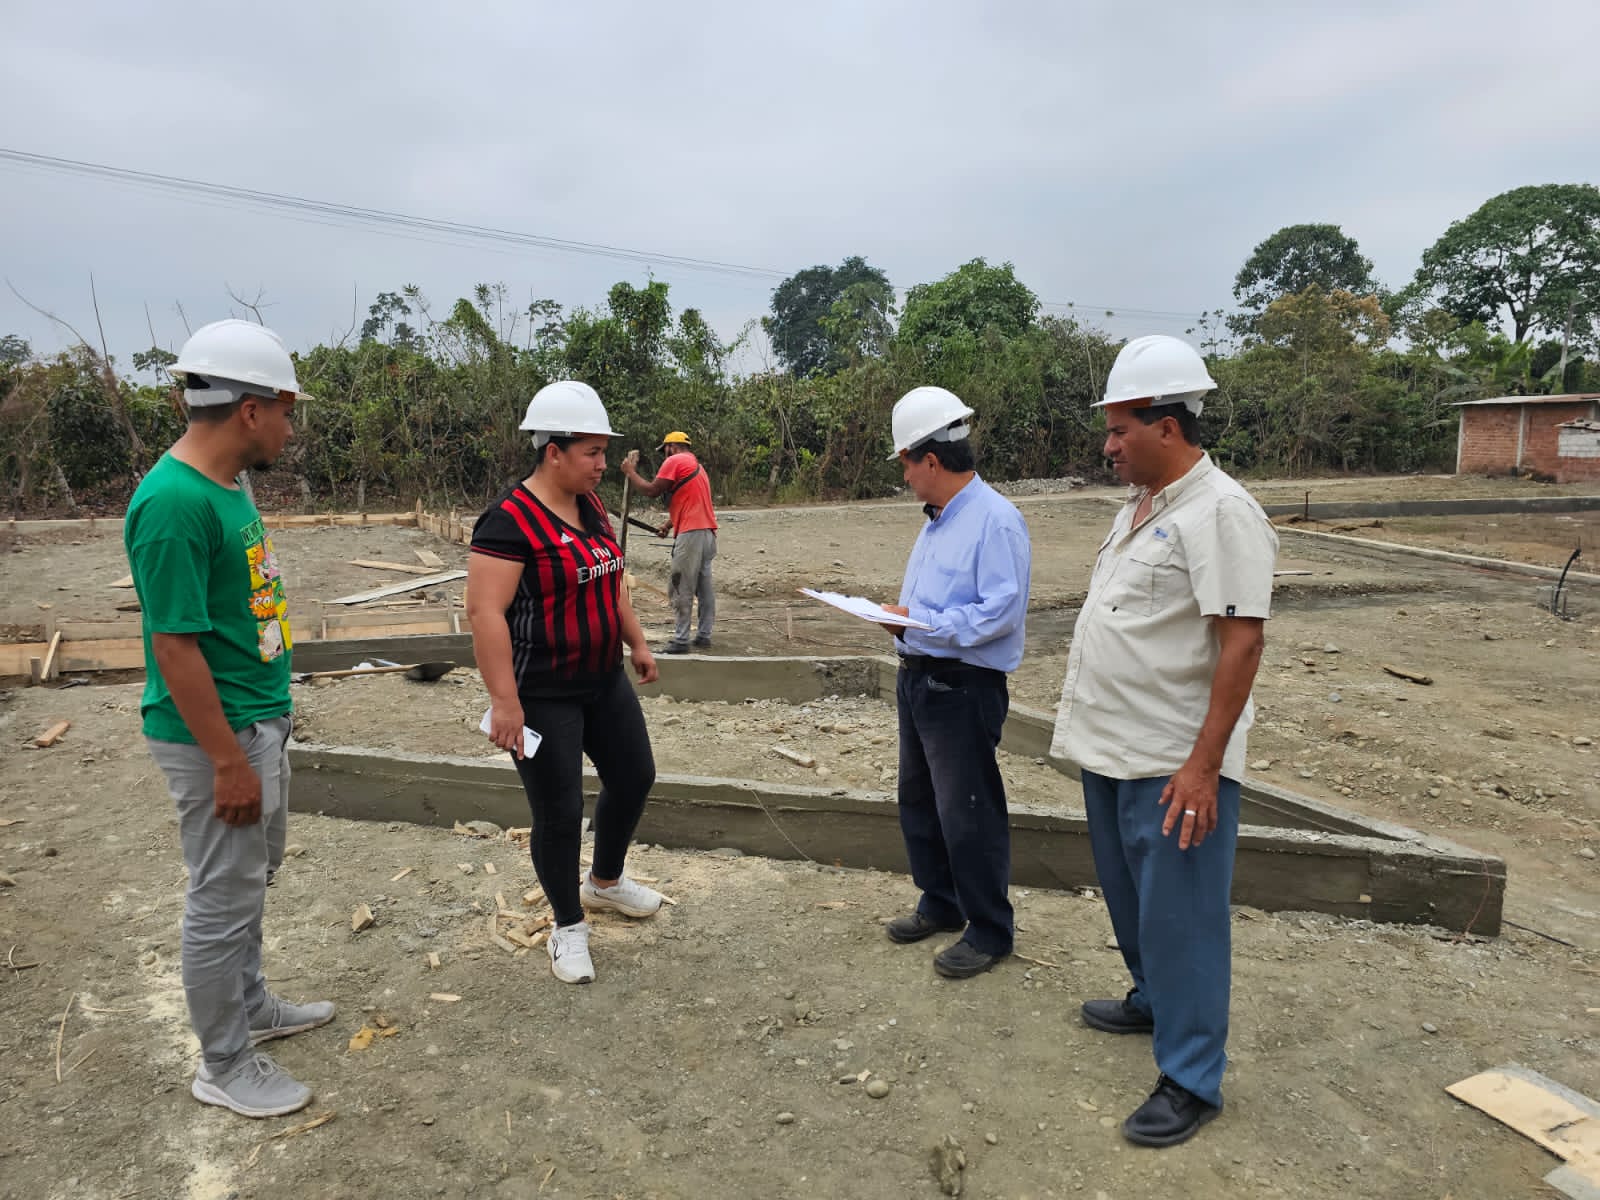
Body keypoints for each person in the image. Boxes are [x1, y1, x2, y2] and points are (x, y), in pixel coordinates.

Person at [1051, 335, 1278, 1147]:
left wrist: (1204, 767)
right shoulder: (1142, 508)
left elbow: (1241, 643)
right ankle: (1153, 999)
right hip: (1113, 748)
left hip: (1173, 762)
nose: (1108, 447)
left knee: (1184, 920)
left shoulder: (1222, 513)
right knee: (1133, 899)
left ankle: (1190, 1078)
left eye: (1120, 431)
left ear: (1168, 427)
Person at [126, 319, 335, 1119]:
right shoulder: (173, 504)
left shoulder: (229, 485)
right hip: (215, 738)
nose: (290, 429)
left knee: (252, 877)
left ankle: (252, 1005)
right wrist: (226, 761)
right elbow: (173, 647)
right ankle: (223, 1063)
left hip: (257, 719)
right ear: (250, 410)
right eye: (286, 412)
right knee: (221, 899)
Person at [467, 380, 665, 985]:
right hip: (542, 691)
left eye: (604, 452)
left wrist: (636, 641)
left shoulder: (591, 506)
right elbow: (485, 613)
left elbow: (611, 578)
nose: (603, 464)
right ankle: (568, 926)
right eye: (592, 453)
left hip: (602, 678)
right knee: (559, 810)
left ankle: (604, 881)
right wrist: (505, 701)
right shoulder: (508, 522)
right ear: (553, 451)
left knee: (634, 776)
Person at [878, 386, 1032, 979]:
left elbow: (1000, 612)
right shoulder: (939, 522)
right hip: (919, 677)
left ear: (931, 460)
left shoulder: (995, 521)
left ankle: (989, 929)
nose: (906, 478)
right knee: (919, 801)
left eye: (906, 465)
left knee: (968, 809)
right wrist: (905, 622)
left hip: (963, 687)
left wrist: (920, 624)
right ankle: (940, 901)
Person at [619, 431, 717, 654]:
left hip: (691, 535)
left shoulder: (675, 460)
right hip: (707, 534)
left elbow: (652, 491)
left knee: (680, 586)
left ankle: (681, 641)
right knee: (704, 588)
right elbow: (691, 501)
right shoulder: (697, 467)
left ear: (672, 446)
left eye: (665, 449)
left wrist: (630, 472)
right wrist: (669, 524)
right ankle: (704, 636)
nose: (664, 454)